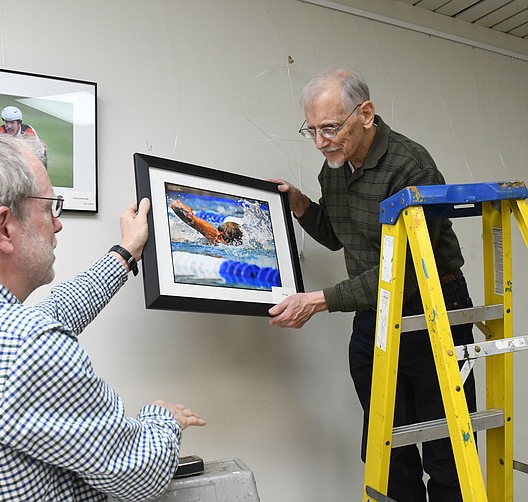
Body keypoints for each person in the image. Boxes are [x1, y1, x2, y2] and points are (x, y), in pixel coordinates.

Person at [0, 130, 205, 501]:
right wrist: (163, 421)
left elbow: (53, 313)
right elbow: (138, 474)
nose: (57, 223)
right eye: (49, 208)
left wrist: (125, 253)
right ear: (3, 229)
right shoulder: (25, 346)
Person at [268, 68, 475, 502]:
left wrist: (320, 301)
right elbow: (338, 232)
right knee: (385, 440)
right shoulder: (335, 167)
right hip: (375, 313)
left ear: (366, 113)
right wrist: (299, 203)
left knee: (444, 445)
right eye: (312, 130)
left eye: (330, 128)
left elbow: (404, 272)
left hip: (432, 308)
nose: (321, 142)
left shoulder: (410, 166)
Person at [170, 199, 243, 245]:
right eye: (219, 230)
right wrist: (180, 206)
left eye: (223, 237)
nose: (217, 236)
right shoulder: (213, 234)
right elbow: (174, 203)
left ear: (231, 242)